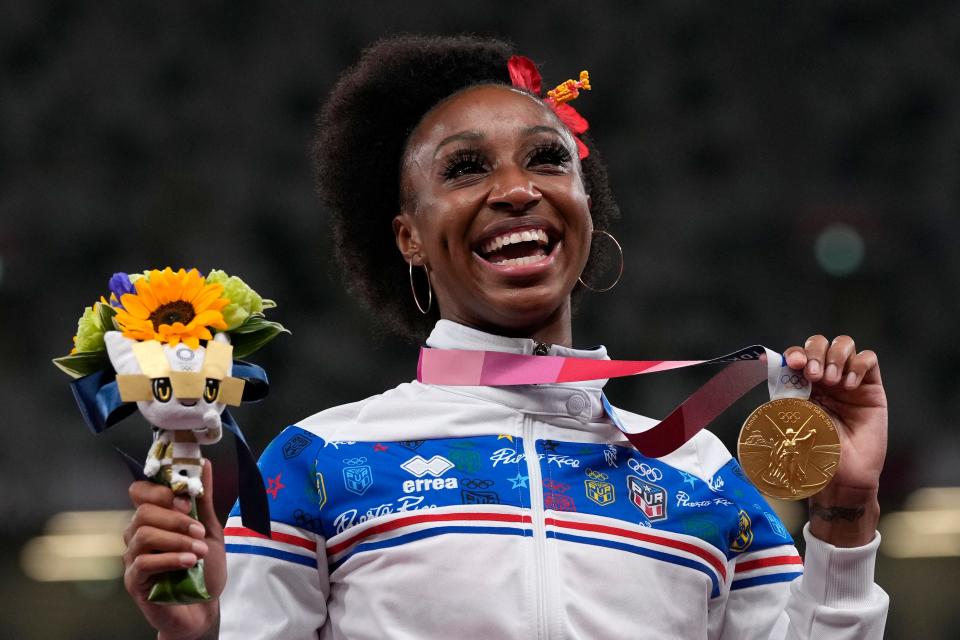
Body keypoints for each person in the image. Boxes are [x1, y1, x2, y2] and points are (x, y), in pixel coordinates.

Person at [121, 34, 889, 639]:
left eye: (548, 160)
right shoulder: (315, 463)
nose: (518, 190)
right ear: (407, 237)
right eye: (464, 169)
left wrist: (845, 513)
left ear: (586, 208)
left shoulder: (703, 473)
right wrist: (196, 637)